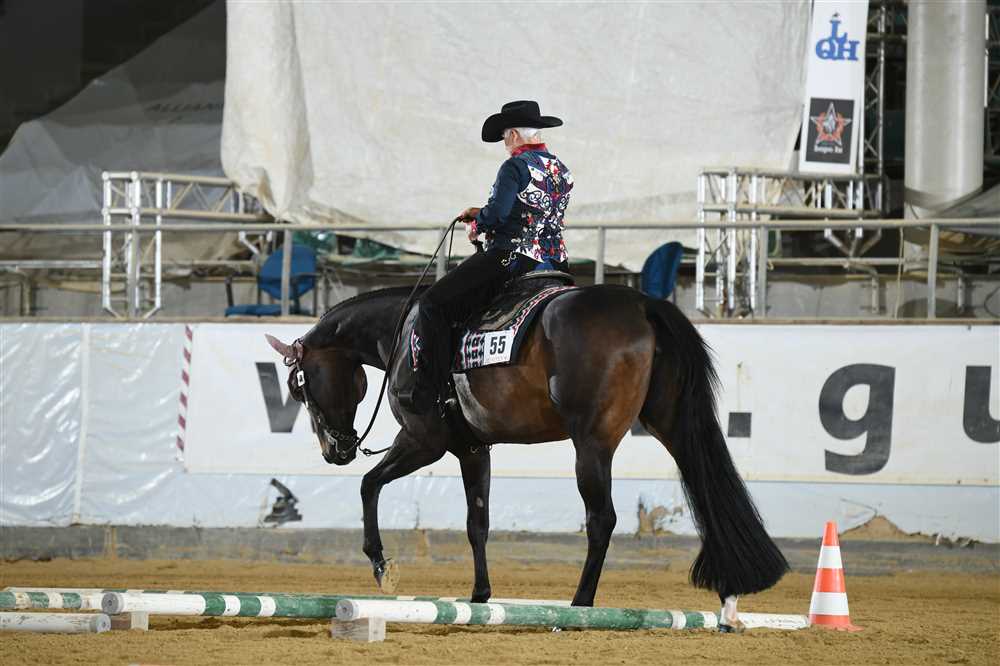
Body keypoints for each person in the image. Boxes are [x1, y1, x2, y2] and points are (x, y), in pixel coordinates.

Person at [397, 100, 574, 413]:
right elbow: (534, 210)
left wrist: (478, 223)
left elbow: (498, 216)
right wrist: (483, 212)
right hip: (555, 261)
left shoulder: (514, 167)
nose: (505, 143)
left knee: (433, 304)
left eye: (505, 136)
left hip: (513, 257)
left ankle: (429, 390)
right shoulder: (561, 169)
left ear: (514, 135)